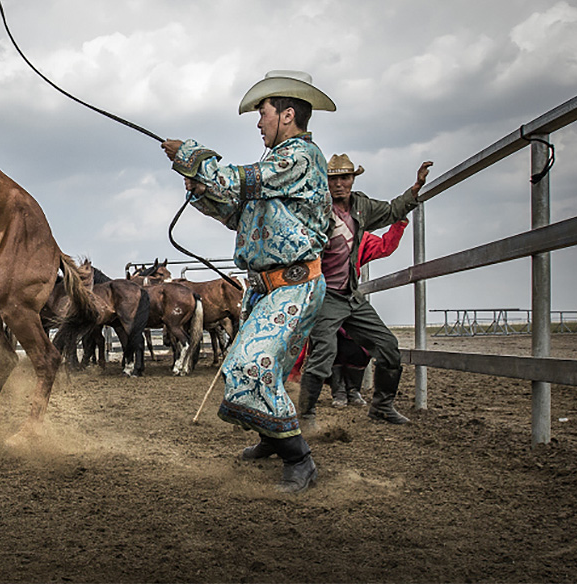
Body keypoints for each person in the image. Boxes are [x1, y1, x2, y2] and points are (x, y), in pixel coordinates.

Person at [161, 70, 333, 494]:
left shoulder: (300, 157)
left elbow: (241, 179)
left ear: (287, 115)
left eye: (263, 113)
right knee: (261, 369)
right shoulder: (280, 170)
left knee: (249, 366)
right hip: (265, 288)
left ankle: (299, 458)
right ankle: (271, 440)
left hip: (293, 285)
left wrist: (193, 155)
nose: (259, 123)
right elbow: (237, 214)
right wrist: (203, 190)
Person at [298, 153, 432, 426]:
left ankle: (382, 406)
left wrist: (415, 189)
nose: (339, 184)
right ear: (325, 181)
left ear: (352, 179)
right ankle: (306, 416)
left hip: (351, 296)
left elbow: (393, 210)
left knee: (388, 346)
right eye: (333, 179)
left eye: (344, 178)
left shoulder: (362, 207)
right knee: (323, 352)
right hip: (324, 295)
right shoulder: (316, 208)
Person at [328, 218, 408, 407]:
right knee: (329, 343)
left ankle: (353, 390)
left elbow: (384, 247)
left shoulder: (359, 237)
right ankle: (338, 391)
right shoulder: (319, 233)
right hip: (324, 297)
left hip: (349, 299)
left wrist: (399, 222)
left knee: (360, 345)